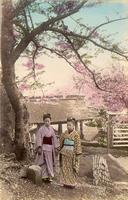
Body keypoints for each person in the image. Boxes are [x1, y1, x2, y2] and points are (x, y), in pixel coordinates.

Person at [34, 113, 59, 182]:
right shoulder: (41, 129)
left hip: (50, 148)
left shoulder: (51, 129)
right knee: (44, 162)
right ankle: (43, 176)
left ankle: (49, 176)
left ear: (50, 121)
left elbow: (54, 138)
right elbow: (39, 138)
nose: (47, 122)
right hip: (43, 148)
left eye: (48, 121)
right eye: (45, 121)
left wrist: (56, 147)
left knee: (50, 162)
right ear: (43, 121)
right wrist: (39, 147)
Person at [59, 117, 82, 188]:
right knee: (64, 168)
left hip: (72, 153)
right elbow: (61, 142)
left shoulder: (76, 135)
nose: (68, 127)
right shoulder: (64, 133)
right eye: (67, 125)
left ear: (73, 126)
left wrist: (77, 154)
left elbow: (77, 144)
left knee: (71, 168)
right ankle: (65, 182)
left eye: (70, 125)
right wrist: (60, 149)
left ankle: (71, 183)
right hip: (64, 153)